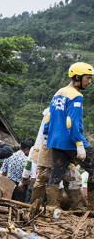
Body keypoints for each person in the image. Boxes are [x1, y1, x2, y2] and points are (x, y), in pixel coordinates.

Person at [43, 62, 94, 209]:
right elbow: (72, 122)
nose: (89, 81)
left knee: (55, 175)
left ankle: (52, 206)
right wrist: (79, 145)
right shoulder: (76, 96)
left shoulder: (58, 93)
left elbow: (49, 117)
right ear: (77, 77)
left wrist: (47, 134)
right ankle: (91, 207)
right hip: (72, 141)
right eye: (88, 78)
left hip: (56, 142)